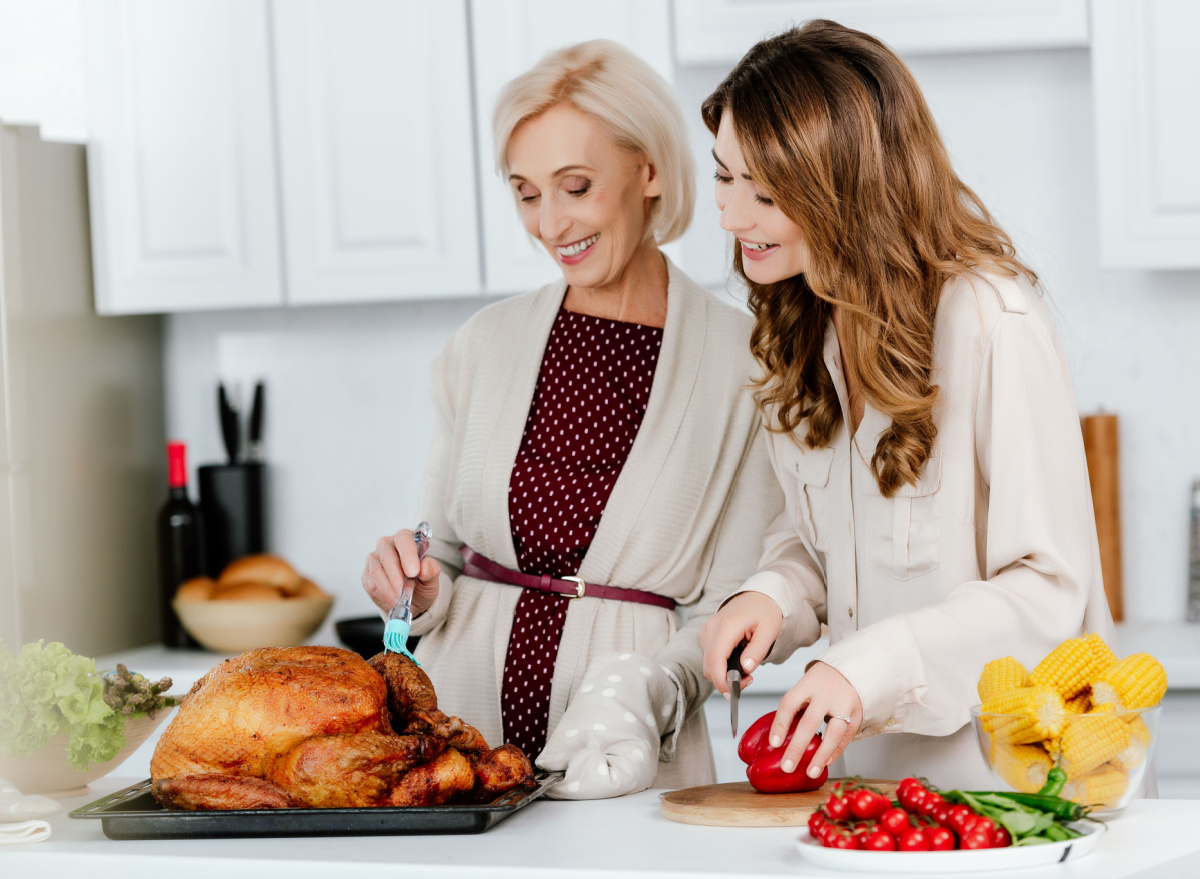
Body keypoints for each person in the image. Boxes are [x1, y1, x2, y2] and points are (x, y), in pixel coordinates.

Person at [697, 20, 1116, 789]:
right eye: (723, 176)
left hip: (1013, 785)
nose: (729, 216)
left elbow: (1051, 588)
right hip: (877, 793)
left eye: (763, 191)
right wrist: (774, 594)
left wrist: (873, 666)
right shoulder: (801, 323)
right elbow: (823, 538)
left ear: (845, 187)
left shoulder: (992, 319)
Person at [361, 40, 782, 798]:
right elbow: (443, 554)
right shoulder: (483, 345)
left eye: (576, 186)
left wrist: (641, 694)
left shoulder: (745, 364)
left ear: (649, 170)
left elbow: (732, 607)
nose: (550, 224)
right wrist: (415, 585)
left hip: (631, 756)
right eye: (527, 194)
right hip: (462, 748)